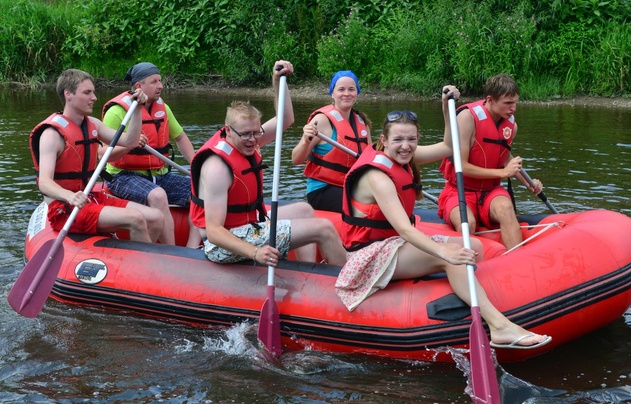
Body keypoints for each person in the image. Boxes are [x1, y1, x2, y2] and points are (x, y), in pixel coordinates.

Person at [335, 102, 552, 349]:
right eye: (398, 140)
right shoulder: (378, 176)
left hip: (394, 244)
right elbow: (405, 229)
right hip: (370, 254)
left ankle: (480, 299)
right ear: (383, 140)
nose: (405, 146)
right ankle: (499, 327)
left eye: (412, 139)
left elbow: (449, 147)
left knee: (476, 248)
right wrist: (443, 251)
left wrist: (445, 107)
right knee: (453, 258)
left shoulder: (405, 156)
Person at [189, 61, 347, 267]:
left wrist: (277, 81)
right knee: (323, 228)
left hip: (249, 223)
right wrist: (255, 252)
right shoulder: (217, 167)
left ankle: (308, 274)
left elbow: (286, 120)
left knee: (305, 210)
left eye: (256, 132)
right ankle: (349, 284)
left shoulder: (246, 142)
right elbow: (215, 232)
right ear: (227, 131)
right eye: (246, 134)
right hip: (223, 243)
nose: (253, 140)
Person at [29, 69, 164, 242]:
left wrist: (137, 108)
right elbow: (44, 183)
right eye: (87, 92)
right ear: (68, 94)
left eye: (93, 92)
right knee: (135, 219)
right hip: (65, 208)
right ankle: (144, 265)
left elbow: (130, 141)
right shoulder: (52, 135)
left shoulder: (93, 124)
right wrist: (70, 196)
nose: (94, 97)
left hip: (89, 198)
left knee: (156, 217)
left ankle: (137, 261)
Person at [100, 62, 201, 248]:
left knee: (202, 189)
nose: (160, 85)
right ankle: (173, 252)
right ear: (139, 86)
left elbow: (180, 138)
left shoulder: (163, 108)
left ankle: (191, 248)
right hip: (123, 176)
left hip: (160, 174)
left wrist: (196, 167)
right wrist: (128, 145)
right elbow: (103, 155)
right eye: (154, 81)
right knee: (158, 196)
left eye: (160, 80)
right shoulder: (117, 111)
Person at [437, 73, 543, 250]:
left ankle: (517, 261)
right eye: (508, 103)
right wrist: (502, 173)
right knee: (468, 224)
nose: (513, 108)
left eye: (515, 102)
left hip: (490, 190)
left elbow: (503, 157)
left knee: (506, 209)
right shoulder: (467, 118)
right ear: (490, 100)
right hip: (459, 191)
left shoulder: (511, 126)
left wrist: (528, 183)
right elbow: (461, 167)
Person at [291, 70, 372, 212]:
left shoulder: (362, 123)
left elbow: (370, 159)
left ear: (357, 93)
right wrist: (305, 140)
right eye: (341, 89)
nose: (346, 93)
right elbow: (296, 159)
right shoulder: (321, 121)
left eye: (351, 89)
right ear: (332, 93)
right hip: (323, 189)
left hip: (350, 187)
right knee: (361, 211)